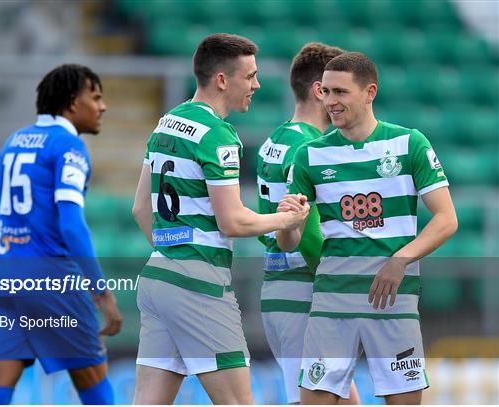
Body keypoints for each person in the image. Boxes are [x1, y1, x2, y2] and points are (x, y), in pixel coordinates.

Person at [132, 33, 310, 405]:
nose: (257, 85)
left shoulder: (167, 122)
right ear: (222, 80)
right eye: (250, 76)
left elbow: (140, 210)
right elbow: (233, 222)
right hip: (199, 284)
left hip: (158, 275)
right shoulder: (218, 134)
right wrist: (286, 220)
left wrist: (174, 252)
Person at [276, 52, 458, 405]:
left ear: (369, 92)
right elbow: (289, 242)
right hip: (332, 300)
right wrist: (288, 223)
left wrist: (399, 260)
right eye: (325, 92)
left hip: (392, 299)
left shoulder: (409, 144)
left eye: (341, 92)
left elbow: (447, 219)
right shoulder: (309, 155)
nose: (330, 101)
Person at [0, 64, 122, 405]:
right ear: (73, 103)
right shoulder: (68, 146)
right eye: (96, 97)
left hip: (2, 276)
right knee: (95, 385)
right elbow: (71, 223)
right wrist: (102, 292)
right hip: (50, 278)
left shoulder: (13, 141)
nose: (102, 107)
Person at [257, 42, 360, 405]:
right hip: (304, 294)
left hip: (280, 287)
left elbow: (268, 226)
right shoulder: (312, 149)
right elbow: (311, 235)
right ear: (320, 90)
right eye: (337, 89)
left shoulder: (274, 141)